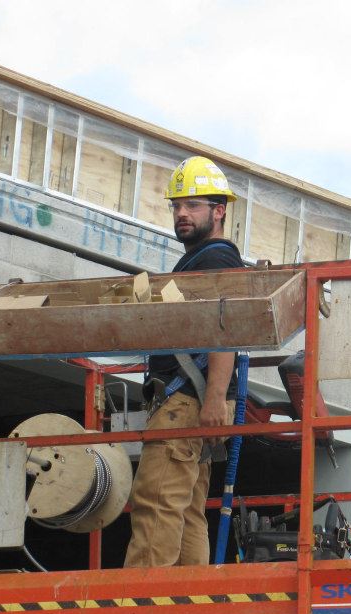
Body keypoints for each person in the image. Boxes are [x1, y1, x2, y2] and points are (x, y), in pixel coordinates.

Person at [124, 156, 244, 567]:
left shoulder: (215, 259)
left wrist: (213, 399)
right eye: (176, 206)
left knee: (156, 503)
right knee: (188, 510)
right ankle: (190, 609)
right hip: (195, 402)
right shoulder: (203, 260)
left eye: (192, 205)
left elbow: (224, 331)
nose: (181, 214)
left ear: (219, 210)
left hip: (187, 403)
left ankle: (138, 611)